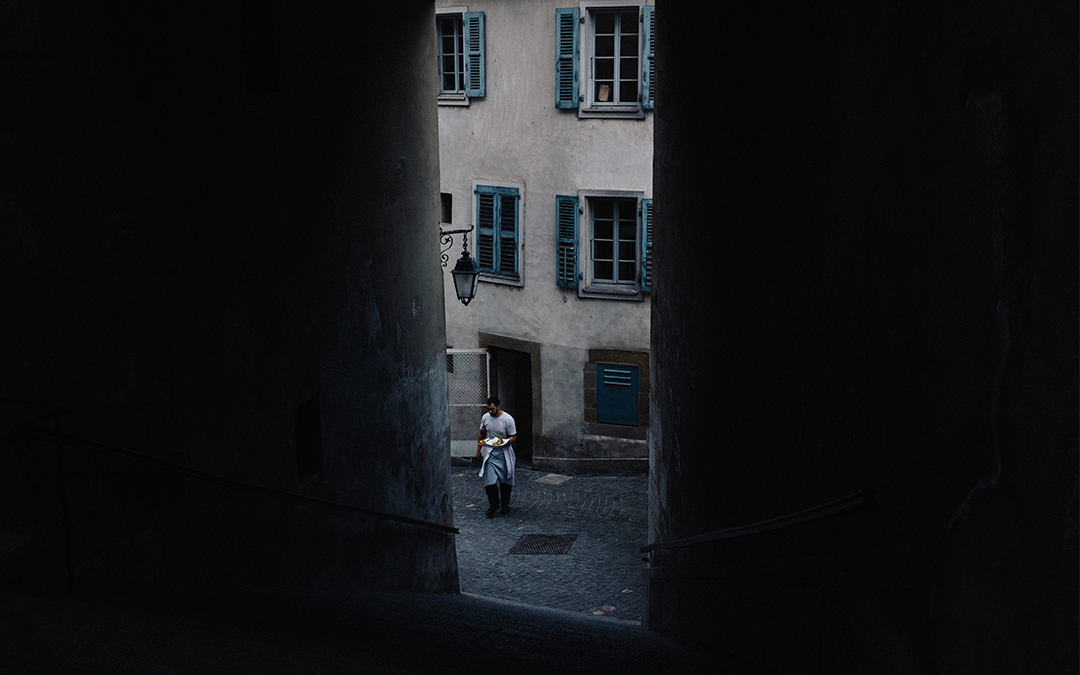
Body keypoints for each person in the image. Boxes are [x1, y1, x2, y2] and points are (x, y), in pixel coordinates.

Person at [475, 396, 517, 518]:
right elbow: (482, 433)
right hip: (491, 453)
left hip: (504, 453)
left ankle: (505, 504)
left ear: (498, 407)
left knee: (506, 480)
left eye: (492, 409)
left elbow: (513, 436)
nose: (490, 411)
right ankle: (494, 504)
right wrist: (478, 449)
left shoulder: (507, 419)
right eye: (488, 409)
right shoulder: (485, 418)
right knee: (490, 482)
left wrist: (505, 441)